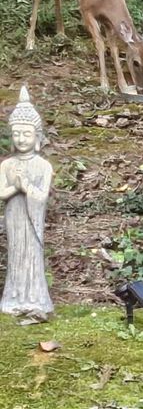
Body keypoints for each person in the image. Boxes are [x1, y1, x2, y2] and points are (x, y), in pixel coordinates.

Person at [0, 86, 54, 318]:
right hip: (14, 218)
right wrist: (16, 187)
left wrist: (27, 187)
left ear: (38, 137)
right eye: (17, 134)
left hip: (33, 220)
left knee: (31, 254)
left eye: (27, 134)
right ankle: (14, 297)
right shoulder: (6, 165)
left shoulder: (44, 166)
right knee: (16, 254)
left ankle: (35, 298)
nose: (22, 139)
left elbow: (41, 197)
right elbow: (2, 193)